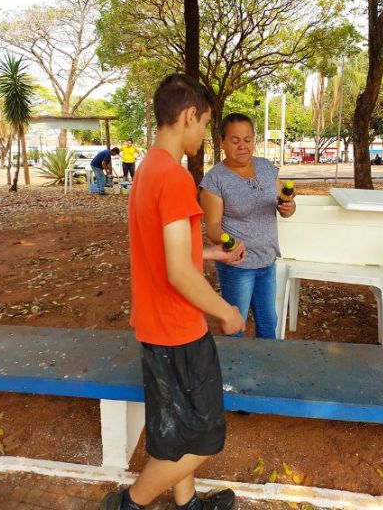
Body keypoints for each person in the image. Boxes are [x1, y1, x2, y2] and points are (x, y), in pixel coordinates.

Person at [100, 74, 245, 510]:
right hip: (178, 330)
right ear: (188, 116)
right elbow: (180, 273)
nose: (205, 134)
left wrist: (210, 254)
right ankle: (130, 503)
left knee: (179, 429)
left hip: (154, 324)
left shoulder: (148, 169)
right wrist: (227, 311)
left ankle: (188, 504)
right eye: (205, 123)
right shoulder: (176, 178)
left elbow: (164, 251)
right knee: (204, 437)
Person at [199, 113, 296, 340]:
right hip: (238, 266)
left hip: (267, 260)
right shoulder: (215, 180)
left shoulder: (267, 168)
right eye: (235, 140)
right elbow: (212, 226)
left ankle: (267, 360)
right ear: (222, 142)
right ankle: (234, 363)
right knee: (236, 323)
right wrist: (228, 242)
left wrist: (289, 208)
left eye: (248, 139)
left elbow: (285, 205)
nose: (242, 146)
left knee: (268, 321)